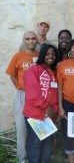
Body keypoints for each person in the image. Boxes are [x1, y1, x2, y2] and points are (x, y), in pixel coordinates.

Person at [5, 31, 39, 163]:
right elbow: (12, 75)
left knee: (37, 125)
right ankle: (22, 158)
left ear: (37, 40)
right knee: (21, 126)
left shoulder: (40, 56)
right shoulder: (18, 56)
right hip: (23, 94)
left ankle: (35, 156)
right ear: (24, 41)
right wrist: (19, 87)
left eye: (33, 39)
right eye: (28, 39)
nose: (31, 41)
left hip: (38, 96)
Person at [22, 44, 58, 163]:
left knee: (47, 143)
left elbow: (55, 94)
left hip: (49, 116)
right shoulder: (33, 70)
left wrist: (54, 110)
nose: (50, 56)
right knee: (35, 144)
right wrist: (47, 107)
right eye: (47, 54)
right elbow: (33, 95)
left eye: (53, 54)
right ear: (42, 55)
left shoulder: (53, 73)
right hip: (35, 115)